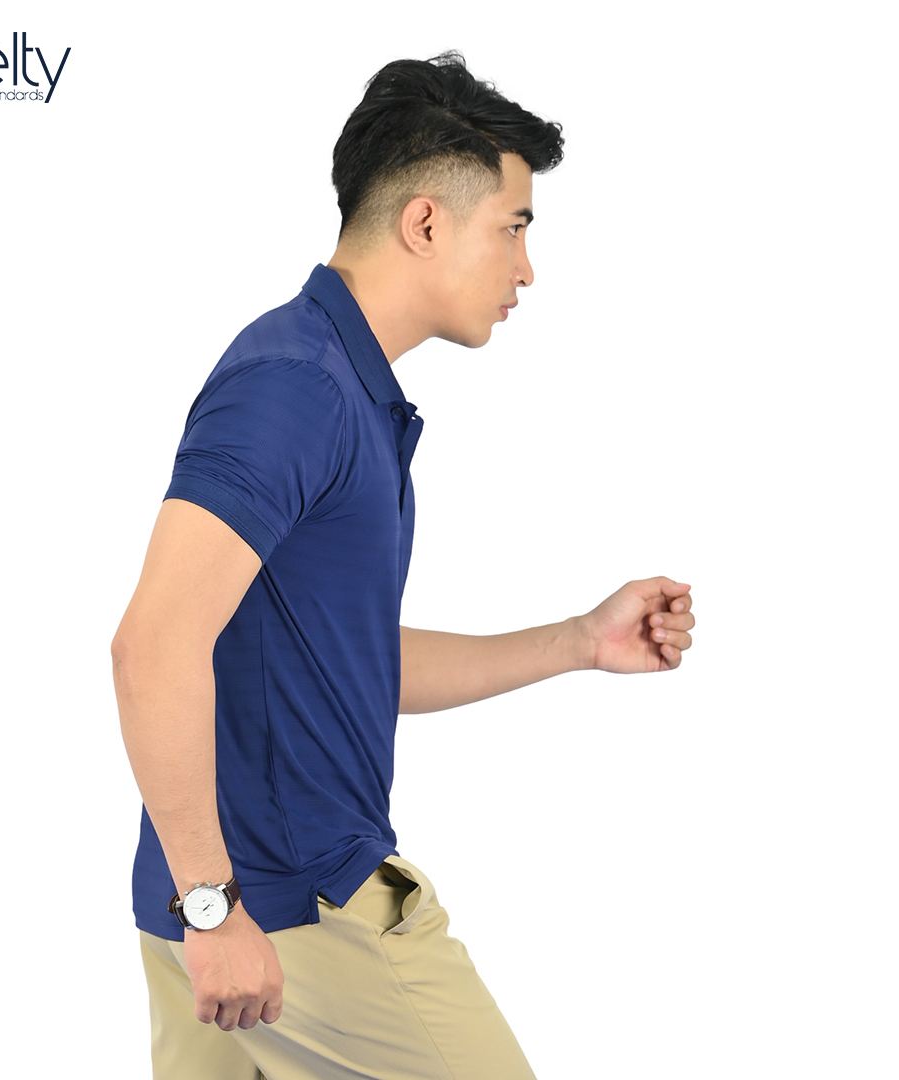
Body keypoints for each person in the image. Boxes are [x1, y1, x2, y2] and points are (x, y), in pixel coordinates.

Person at [111, 51, 695, 1080]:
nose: (526, 269)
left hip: (237, 917)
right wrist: (214, 907)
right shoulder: (296, 387)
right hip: (294, 917)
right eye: (513, 228)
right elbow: (153, 643)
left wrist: (577, 641)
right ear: (426, 223)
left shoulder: (337, 384)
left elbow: (340, 663)